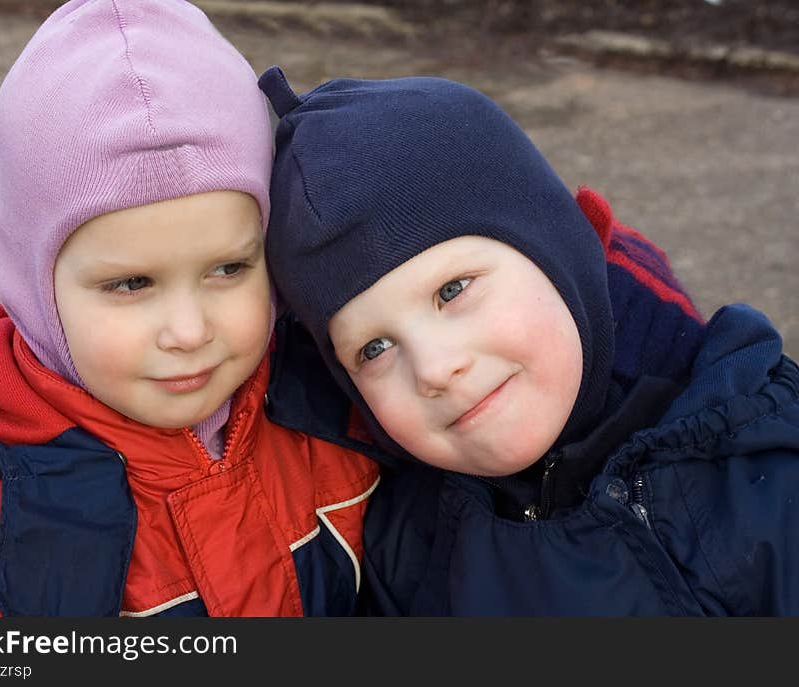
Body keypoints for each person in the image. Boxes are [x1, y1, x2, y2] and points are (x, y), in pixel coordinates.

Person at [257, 66, 799, 615]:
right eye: (373, 349)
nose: (435, 369)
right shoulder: (408, 553)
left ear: (559, 249)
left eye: (453, 289)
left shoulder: (768, 458)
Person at [0, 1, 378, 617]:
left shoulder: (347, 415)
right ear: (36, 289)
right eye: (132, 284)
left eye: (228, 269)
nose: (189, 332)